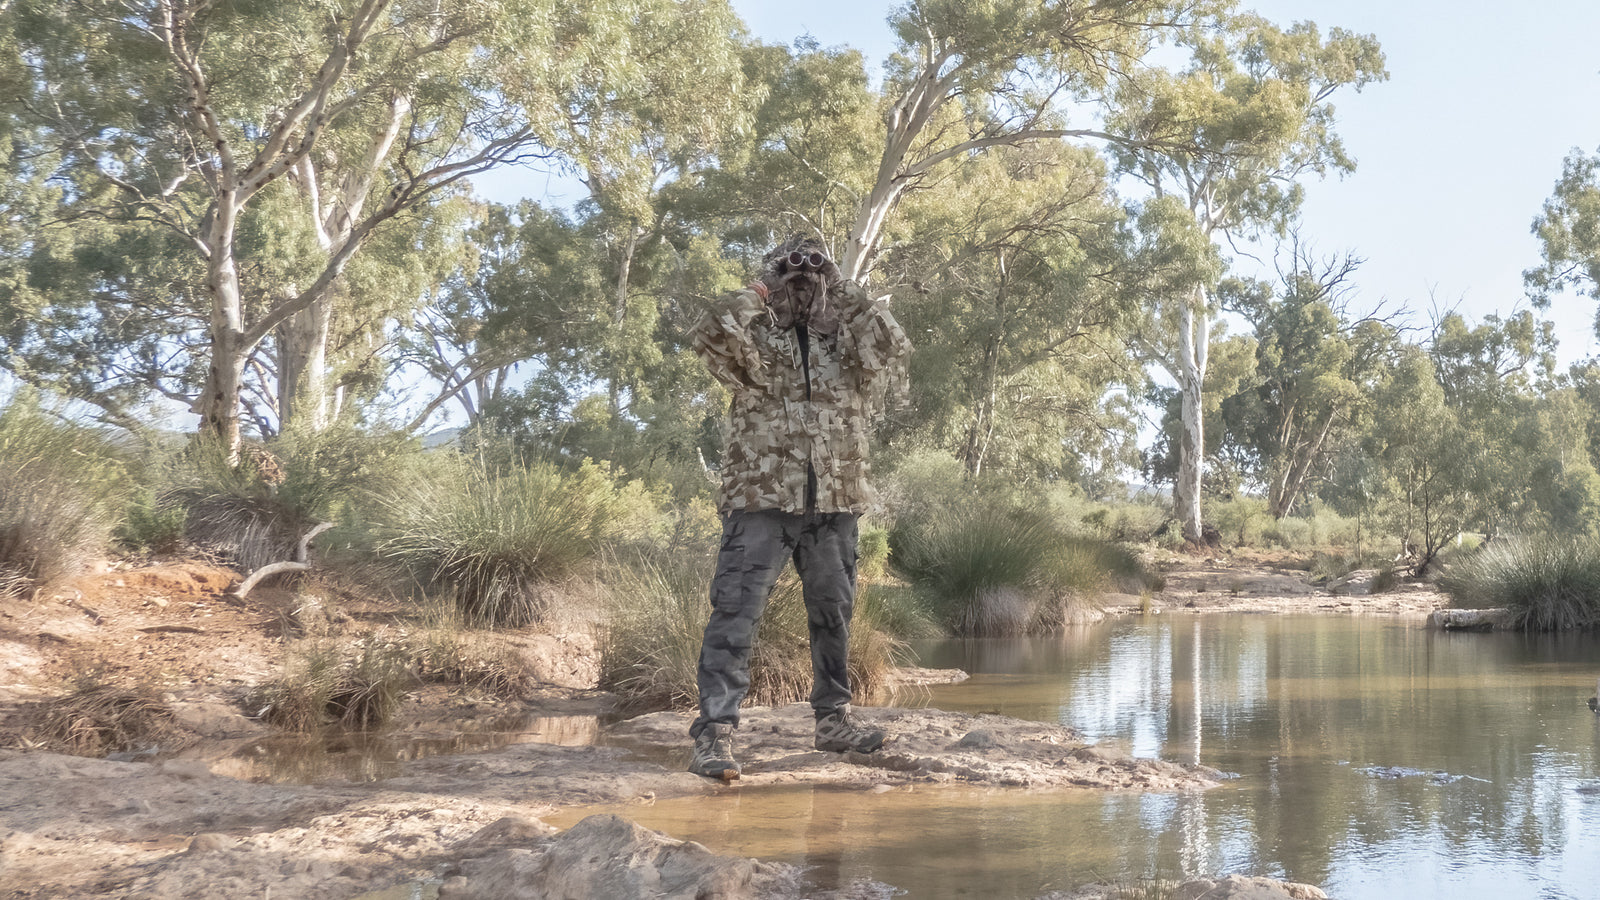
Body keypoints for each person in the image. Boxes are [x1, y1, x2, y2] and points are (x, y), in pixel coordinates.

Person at [686, 236, 912, 780]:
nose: (803, 282)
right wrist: (763, 288)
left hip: (835, 503)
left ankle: (833, 721)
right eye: (793, 274)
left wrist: (841, 286)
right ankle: (714, 736)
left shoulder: (849, 347)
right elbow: (709, 332)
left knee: (834, 616)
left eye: (813, 274)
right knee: (735, 615)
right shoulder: (755, 345)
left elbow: (893, 343)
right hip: (760, 501)